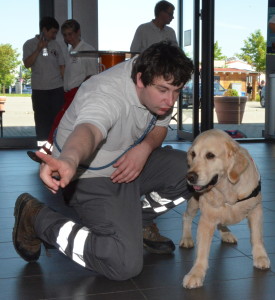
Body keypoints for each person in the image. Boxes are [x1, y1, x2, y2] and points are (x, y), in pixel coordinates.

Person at [13, 42, 194, 281]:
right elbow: (89, 130)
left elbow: (159, 128)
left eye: (177, 91)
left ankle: (138, 221)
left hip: (128, 162)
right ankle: (37, 218)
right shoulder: (106, 92)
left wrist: (145, 148)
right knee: (123, 264)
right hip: (89, 174)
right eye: (163, 90)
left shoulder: (159, 78)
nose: (170, 101)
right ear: (140, 80)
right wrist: (69, 159)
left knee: (194, 173)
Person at [27, 19, 99, 162]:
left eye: (70, 34)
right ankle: (53, 152)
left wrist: (80, 92)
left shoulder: (87, 50)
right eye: (65, 35)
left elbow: (92, 76)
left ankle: (48, 152)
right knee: (61, 123)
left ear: (78, 32)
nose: (67, 38)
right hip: (67, 92)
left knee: (59, 122)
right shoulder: (70, 50)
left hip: (78, 92)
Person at [23, 17, 65, 144]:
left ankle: (58, 150)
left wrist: (64, 85)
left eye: (56, 33)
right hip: (39, 89)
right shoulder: (29, 44)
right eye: (52, 32)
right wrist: (39, 49)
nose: (54, 35)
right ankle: (42, 152)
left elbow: (62, 66)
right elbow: (27, 64)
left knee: (58, 120)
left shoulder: (56, 45)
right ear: (44, 30)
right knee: (41, 121)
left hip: (57, 88)